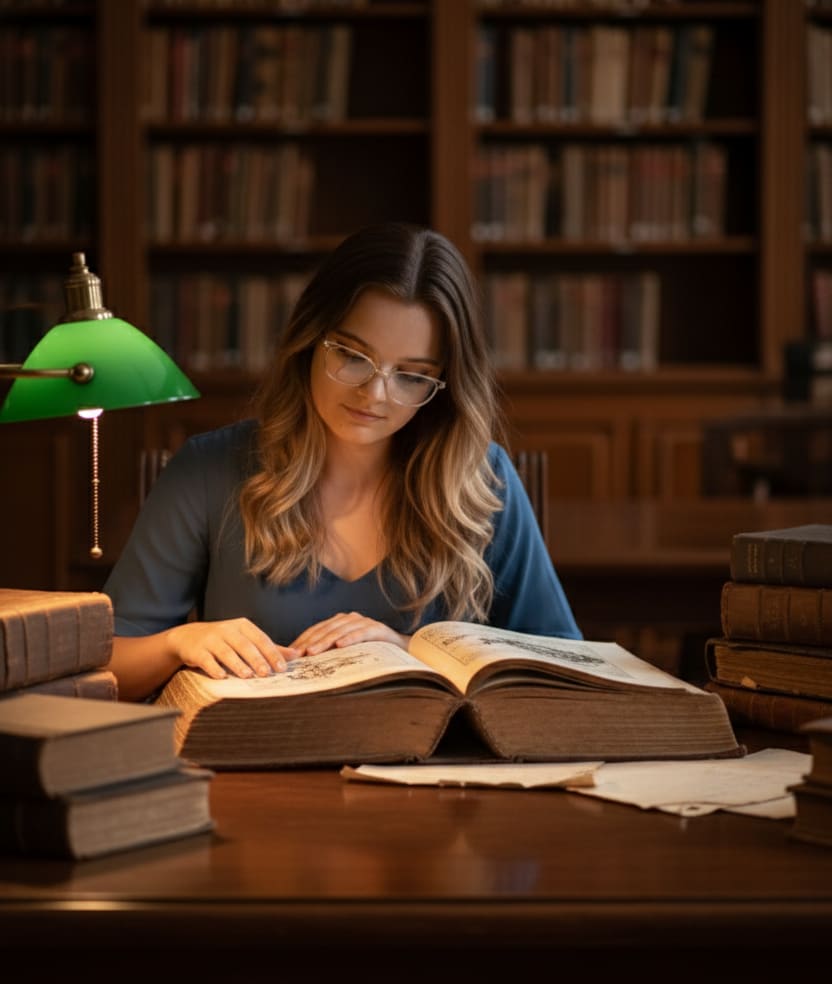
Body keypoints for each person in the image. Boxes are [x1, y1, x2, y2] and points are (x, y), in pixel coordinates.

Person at [104, 222, 581, 701]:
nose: (375, 394)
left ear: (444, 385)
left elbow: (566, 668)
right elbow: (106, 667)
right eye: (353, 356)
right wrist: (178, 643)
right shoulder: (209, 469)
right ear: (309, 338)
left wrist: (410, 649)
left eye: (412, 376)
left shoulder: (483, 479)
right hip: (254, 747)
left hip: (435, 751)